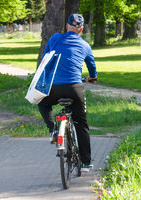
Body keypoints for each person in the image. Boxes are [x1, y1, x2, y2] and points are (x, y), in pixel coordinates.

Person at [38, 14, 97, 172]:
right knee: (81, 124)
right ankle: (85, 163)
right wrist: (92, 77)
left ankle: (52, 129)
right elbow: (92, 67)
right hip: (74, 88)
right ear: (81, 29)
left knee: (42, 102)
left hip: (54, 88)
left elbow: (46, 59)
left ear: (66, 26)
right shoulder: (85, 45)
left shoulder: (55, 38)